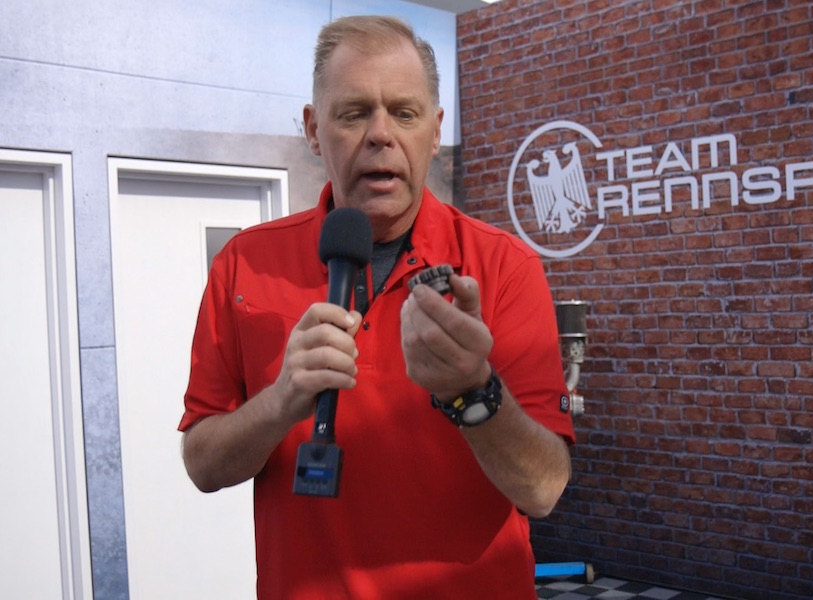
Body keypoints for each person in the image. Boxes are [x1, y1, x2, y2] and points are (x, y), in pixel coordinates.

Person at [178, 15, 575, 599]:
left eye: (405, 113)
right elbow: (202, 465)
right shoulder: (245, 264)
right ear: (314, 130)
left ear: (435, 131)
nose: (380, 134)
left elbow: (543, 489)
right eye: (354, 113)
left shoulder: (503, 267)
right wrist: (280, 400)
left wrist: (472, 391)